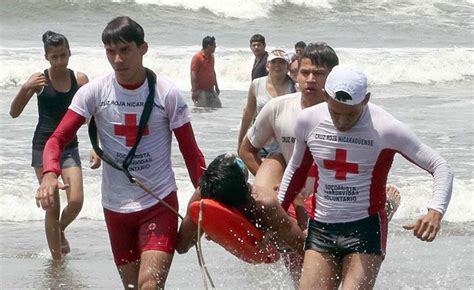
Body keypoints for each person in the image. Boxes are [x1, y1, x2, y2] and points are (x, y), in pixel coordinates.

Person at [36, 16, 206, 289]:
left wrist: (207, 200)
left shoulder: (167, 94)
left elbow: (191, 154)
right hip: (115, 207)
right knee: (132, 287)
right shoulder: (94, 92)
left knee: (149, 285)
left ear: (143, 48)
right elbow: (57, 138)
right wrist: (49, 172)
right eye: (110, 52)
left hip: (158, 202)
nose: (117, 59)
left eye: (125, 50)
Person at [277, 64, 454, 289]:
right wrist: (278, 214)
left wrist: (435, 212)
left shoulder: (385, 127)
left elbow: (440, 166)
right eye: (335, 112)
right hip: (321, 226)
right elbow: (296, 169)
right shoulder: (308, 120)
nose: (341, 122)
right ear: (326, 96)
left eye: (350, 114)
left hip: (365, 228)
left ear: (366, 99)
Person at [239, 43, 401, 284]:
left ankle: (382, 209)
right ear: (295, 74)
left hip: (340, 205)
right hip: (298, 201)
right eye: (305, 73)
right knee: (302, 275)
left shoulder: (356, 115)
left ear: (333, 78)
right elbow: (246, 149)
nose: (310, 79)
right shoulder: (278, 109)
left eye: (319, 73)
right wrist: (278, 187)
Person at [9, 30, 96, 260]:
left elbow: (93, 116)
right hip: (43, 147)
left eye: (63, 55)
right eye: (54, 57)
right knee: (52, 206)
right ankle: (57, 262)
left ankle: (60, 229)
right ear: (46, 56)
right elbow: (14, 112)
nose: (59, 61)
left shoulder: (80, 80)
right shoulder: (40, 80)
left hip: (69, 147)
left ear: (70, 53)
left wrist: (97, 146)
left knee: (76, 200)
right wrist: (26, 87)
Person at [176, 153, 306, 272]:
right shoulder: (208, 190)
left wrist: (299, 203)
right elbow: (182, 246)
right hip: (270, 179)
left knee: (298, 269)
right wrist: (208, 226)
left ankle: (300, 197)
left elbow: (304, 248)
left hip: (291, 217)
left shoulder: (264, 205)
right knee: (274, 157)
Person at [237, 49, 295, 153]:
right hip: (260, 143)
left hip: (285, 144)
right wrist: (240, 141)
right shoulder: (257, 84)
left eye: (281, 62)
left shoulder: (294, 88)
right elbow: (248, 114)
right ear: (267, 66)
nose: (277, 65)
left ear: (287, 67)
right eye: (273, 62)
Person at [190, 36, 221, 107]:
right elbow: (193, 74)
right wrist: (194, 91)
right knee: (202, 111)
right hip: (200, 90)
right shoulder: (197, 57)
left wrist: (216, 86)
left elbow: (212, 71)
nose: (215, 47)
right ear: (208, 46)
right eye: (214, 45)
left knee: (218, 107)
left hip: (211, 89)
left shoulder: (212, 56)